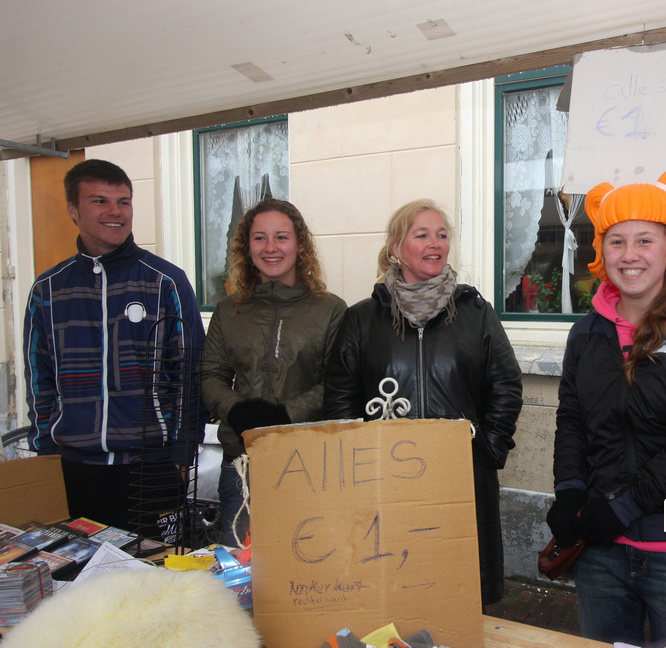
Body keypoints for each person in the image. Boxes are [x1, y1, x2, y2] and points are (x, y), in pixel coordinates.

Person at [546, 171, 666, 648]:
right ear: (601, 251)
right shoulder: (585, 334)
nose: (629, 254)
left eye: (644, 240)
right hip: (600, 549)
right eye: (616, 241)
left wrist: (624, 507)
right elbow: (572, 421)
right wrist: (570, 492)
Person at [324, 199, 523, 606]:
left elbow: (505, 385)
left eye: (442, 235)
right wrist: (359, 464)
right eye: (422, 235)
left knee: (459, 590)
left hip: (462, 477)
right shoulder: (362, 320)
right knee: (393, 589)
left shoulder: (476, 314)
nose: (435, 243)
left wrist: (487, 450)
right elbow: (340, 398)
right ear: (396, 248)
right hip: (384, 482)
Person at [23, 159, 207, 535]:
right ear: (73, 210)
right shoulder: (48, 290)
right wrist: (46, 452)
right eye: (100, 201)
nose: (115, 212)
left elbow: (191, 373)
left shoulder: (166, 282)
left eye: (124, 202)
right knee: (79, 570)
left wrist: (181, 453)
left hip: (152, 467)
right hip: (73, 470)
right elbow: (39, 379)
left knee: (156, 571)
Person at [201, 198, 347, 546]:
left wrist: (285, 414)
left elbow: (339, 382)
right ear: (246, 246)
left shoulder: (330, 310)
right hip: (241, 465)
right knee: (243, 566)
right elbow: (210, 375)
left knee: (308, 562)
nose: (270, 248)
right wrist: (237, 410)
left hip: (308, 465)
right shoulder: (228, 311)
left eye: (281, 237)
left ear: (299, 244)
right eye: (259, 238)